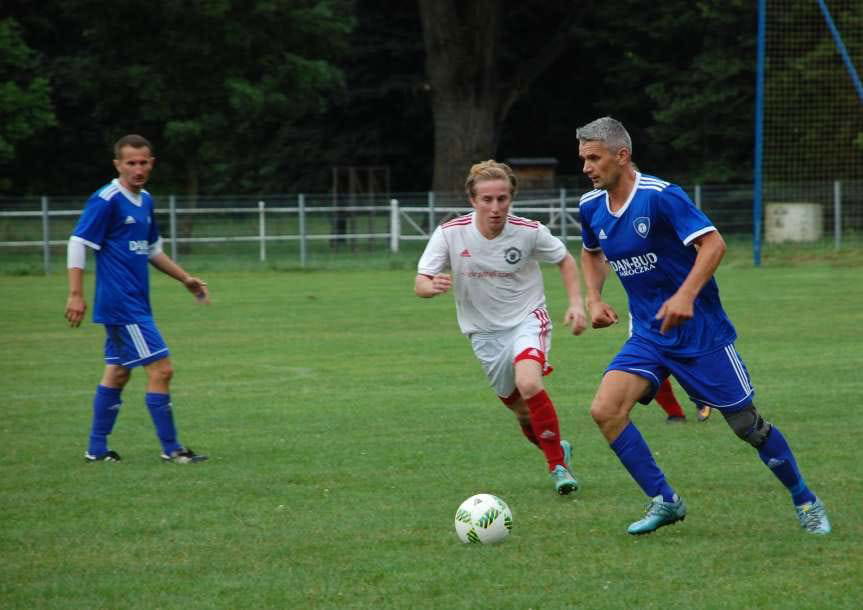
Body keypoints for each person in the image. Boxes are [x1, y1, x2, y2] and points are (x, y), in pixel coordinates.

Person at [576, 117, 830, 534]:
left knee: (747, 426)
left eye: (594, 158)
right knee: (605, 410)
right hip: (648, 334)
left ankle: (806, 500)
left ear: (622, 156)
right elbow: (591, 252)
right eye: (583, 158)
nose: (586, 167)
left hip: (701, 333)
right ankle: (665, 501)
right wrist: (594, 297)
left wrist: (685, 295)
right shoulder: (591, 206)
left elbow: (713, 243)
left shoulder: (660, 197)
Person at [415, 160, 588, 495]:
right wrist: (430, 285)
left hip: (527, 318)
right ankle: (557, 450)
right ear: (472, 200)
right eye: (487, 200)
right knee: (523, 413)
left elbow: (565, 259)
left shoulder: (528, 231)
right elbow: (420, 281)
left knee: (529, 383)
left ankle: (558, 469)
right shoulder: (450, 234)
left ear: (511, 198)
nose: (496, 207)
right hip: (483, 333)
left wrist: (576, 304)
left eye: (503, 199)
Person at [65, 134, 208, 464]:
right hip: (122, 304)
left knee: (118, 372)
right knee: (162, 369)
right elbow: (77, 242)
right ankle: (172, 449)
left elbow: (152, 250)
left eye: (143, 162)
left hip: (136, 303)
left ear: (152, 163)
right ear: (118, 164)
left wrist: (185, 278)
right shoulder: (107, 199)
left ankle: (96, 450)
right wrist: (75, 294)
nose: (138, 168)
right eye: (131, 162)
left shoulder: (145, 200)